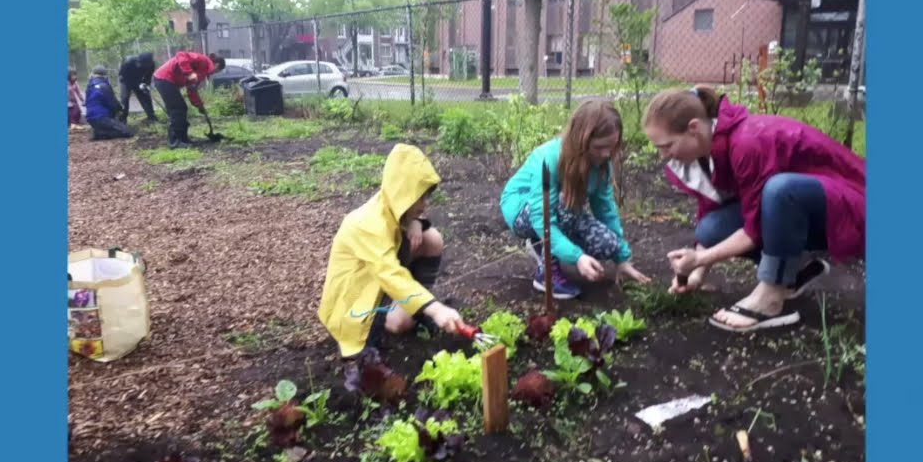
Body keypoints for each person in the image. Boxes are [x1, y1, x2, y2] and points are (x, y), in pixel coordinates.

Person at [643, 86, 866, 332]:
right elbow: (711, 209)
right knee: (709, 229)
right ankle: (796, 270)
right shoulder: (708, 154)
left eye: (667, 145)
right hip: (806, 213)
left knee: (781, 190)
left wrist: (701, 257)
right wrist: (697, 272)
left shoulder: (747, 141)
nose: (664, 156)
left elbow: (755, 227)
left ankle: (770, 295)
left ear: (693, 128)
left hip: (852, 207)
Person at [319, 143, 466, 361]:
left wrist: (416, 221)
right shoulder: (369, 224)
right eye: (420, 198)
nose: (425, 205)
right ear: (403, 193)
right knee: (376, 348)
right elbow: (391, 275)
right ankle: (370, 340)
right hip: (352, 305)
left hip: (377, 283)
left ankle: (417, 310)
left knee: (431, 237)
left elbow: (414, 226)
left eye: (427, 197)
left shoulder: (392, 207)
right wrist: (436, 309)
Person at [500, 99, 651, 299]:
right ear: (580, 140)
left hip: (566, 212)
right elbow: (542, 218)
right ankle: (547, 273)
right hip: (523, 210)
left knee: (607, 244)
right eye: (599, 147)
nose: (606, 153)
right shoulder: (549, 158)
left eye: (612, 146)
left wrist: (621, 259)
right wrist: (577, 257)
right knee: (564, 205)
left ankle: (548, 246)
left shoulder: (601, 164)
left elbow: (605, 210)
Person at [151, 51, 226, 148]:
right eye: (217, 71)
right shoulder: (202, 60)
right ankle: (175, 142)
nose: (214, 73)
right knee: (178, 109)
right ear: (217, 65)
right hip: (164, 77)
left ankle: (183, 139)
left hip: (169, 81)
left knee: (180, 109)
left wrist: (199, 105)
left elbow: (192, 89)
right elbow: (181, 55)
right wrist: (189, 73)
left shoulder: (202, 72)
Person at [83, 66, 135, 140]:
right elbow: (112, 102)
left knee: (116, 126)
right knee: (129, 132)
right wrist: (120, 109)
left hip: (91, 118)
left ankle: (101, 130)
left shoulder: (90, 85)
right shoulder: (104, 86)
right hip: (102, 117)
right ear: (105, 75)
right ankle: (100, 133)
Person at [117, 52, 159, 124]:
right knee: (125, 98)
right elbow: (121, 75)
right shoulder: (128, 61)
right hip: (126, 81)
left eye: (145, 64)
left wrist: (145, 84)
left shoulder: (151, 64)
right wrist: (129, 84)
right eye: (140, 63)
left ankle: (151, 117)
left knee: (146, 96)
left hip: (139, 81)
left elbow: (148, 76)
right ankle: (122, 119)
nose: (141, 65)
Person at [68, 67, 87, 132]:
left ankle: (74, 124)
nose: (74, 76)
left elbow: (78, 92)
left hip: (73, 101)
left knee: (77, 111)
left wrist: (83, 100)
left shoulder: (75, 83)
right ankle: (72, 124)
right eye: (72, 75)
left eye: (75, 74)